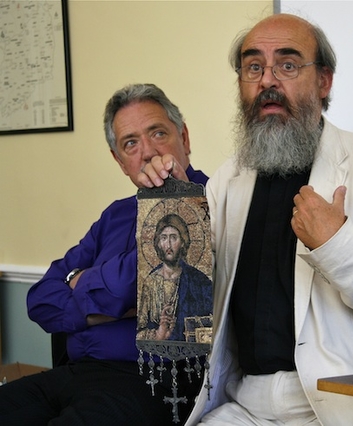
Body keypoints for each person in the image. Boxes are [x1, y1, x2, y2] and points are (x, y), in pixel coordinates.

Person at [142, 13, 353, 426]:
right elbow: (191, 302)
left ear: (324, 82)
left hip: (336, 402)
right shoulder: (228, 179)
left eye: (288, 65)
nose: (267, 81)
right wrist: (173, 203)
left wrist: (335, 243)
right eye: (253, 66)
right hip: (245, 403)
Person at [0, 83, 209, 426]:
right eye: (131, 143)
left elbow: (148, 281)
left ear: (183, 137)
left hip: (150, 381)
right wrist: (121, 305)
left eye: (158, 133)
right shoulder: (115, 215)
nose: (147, 152)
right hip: (76, 372)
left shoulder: (213, 203)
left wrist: (81, 284)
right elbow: (39, 300)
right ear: (119, 160)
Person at [137, 213, 213, 341]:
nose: (168, 244)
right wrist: (159, 334)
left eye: (173, 237)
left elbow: (212, 322)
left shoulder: (199, 280)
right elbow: (140, 330)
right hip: (157, 356)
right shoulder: (150, 282)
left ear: (183, 242)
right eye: (164, 238)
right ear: (158, 243)